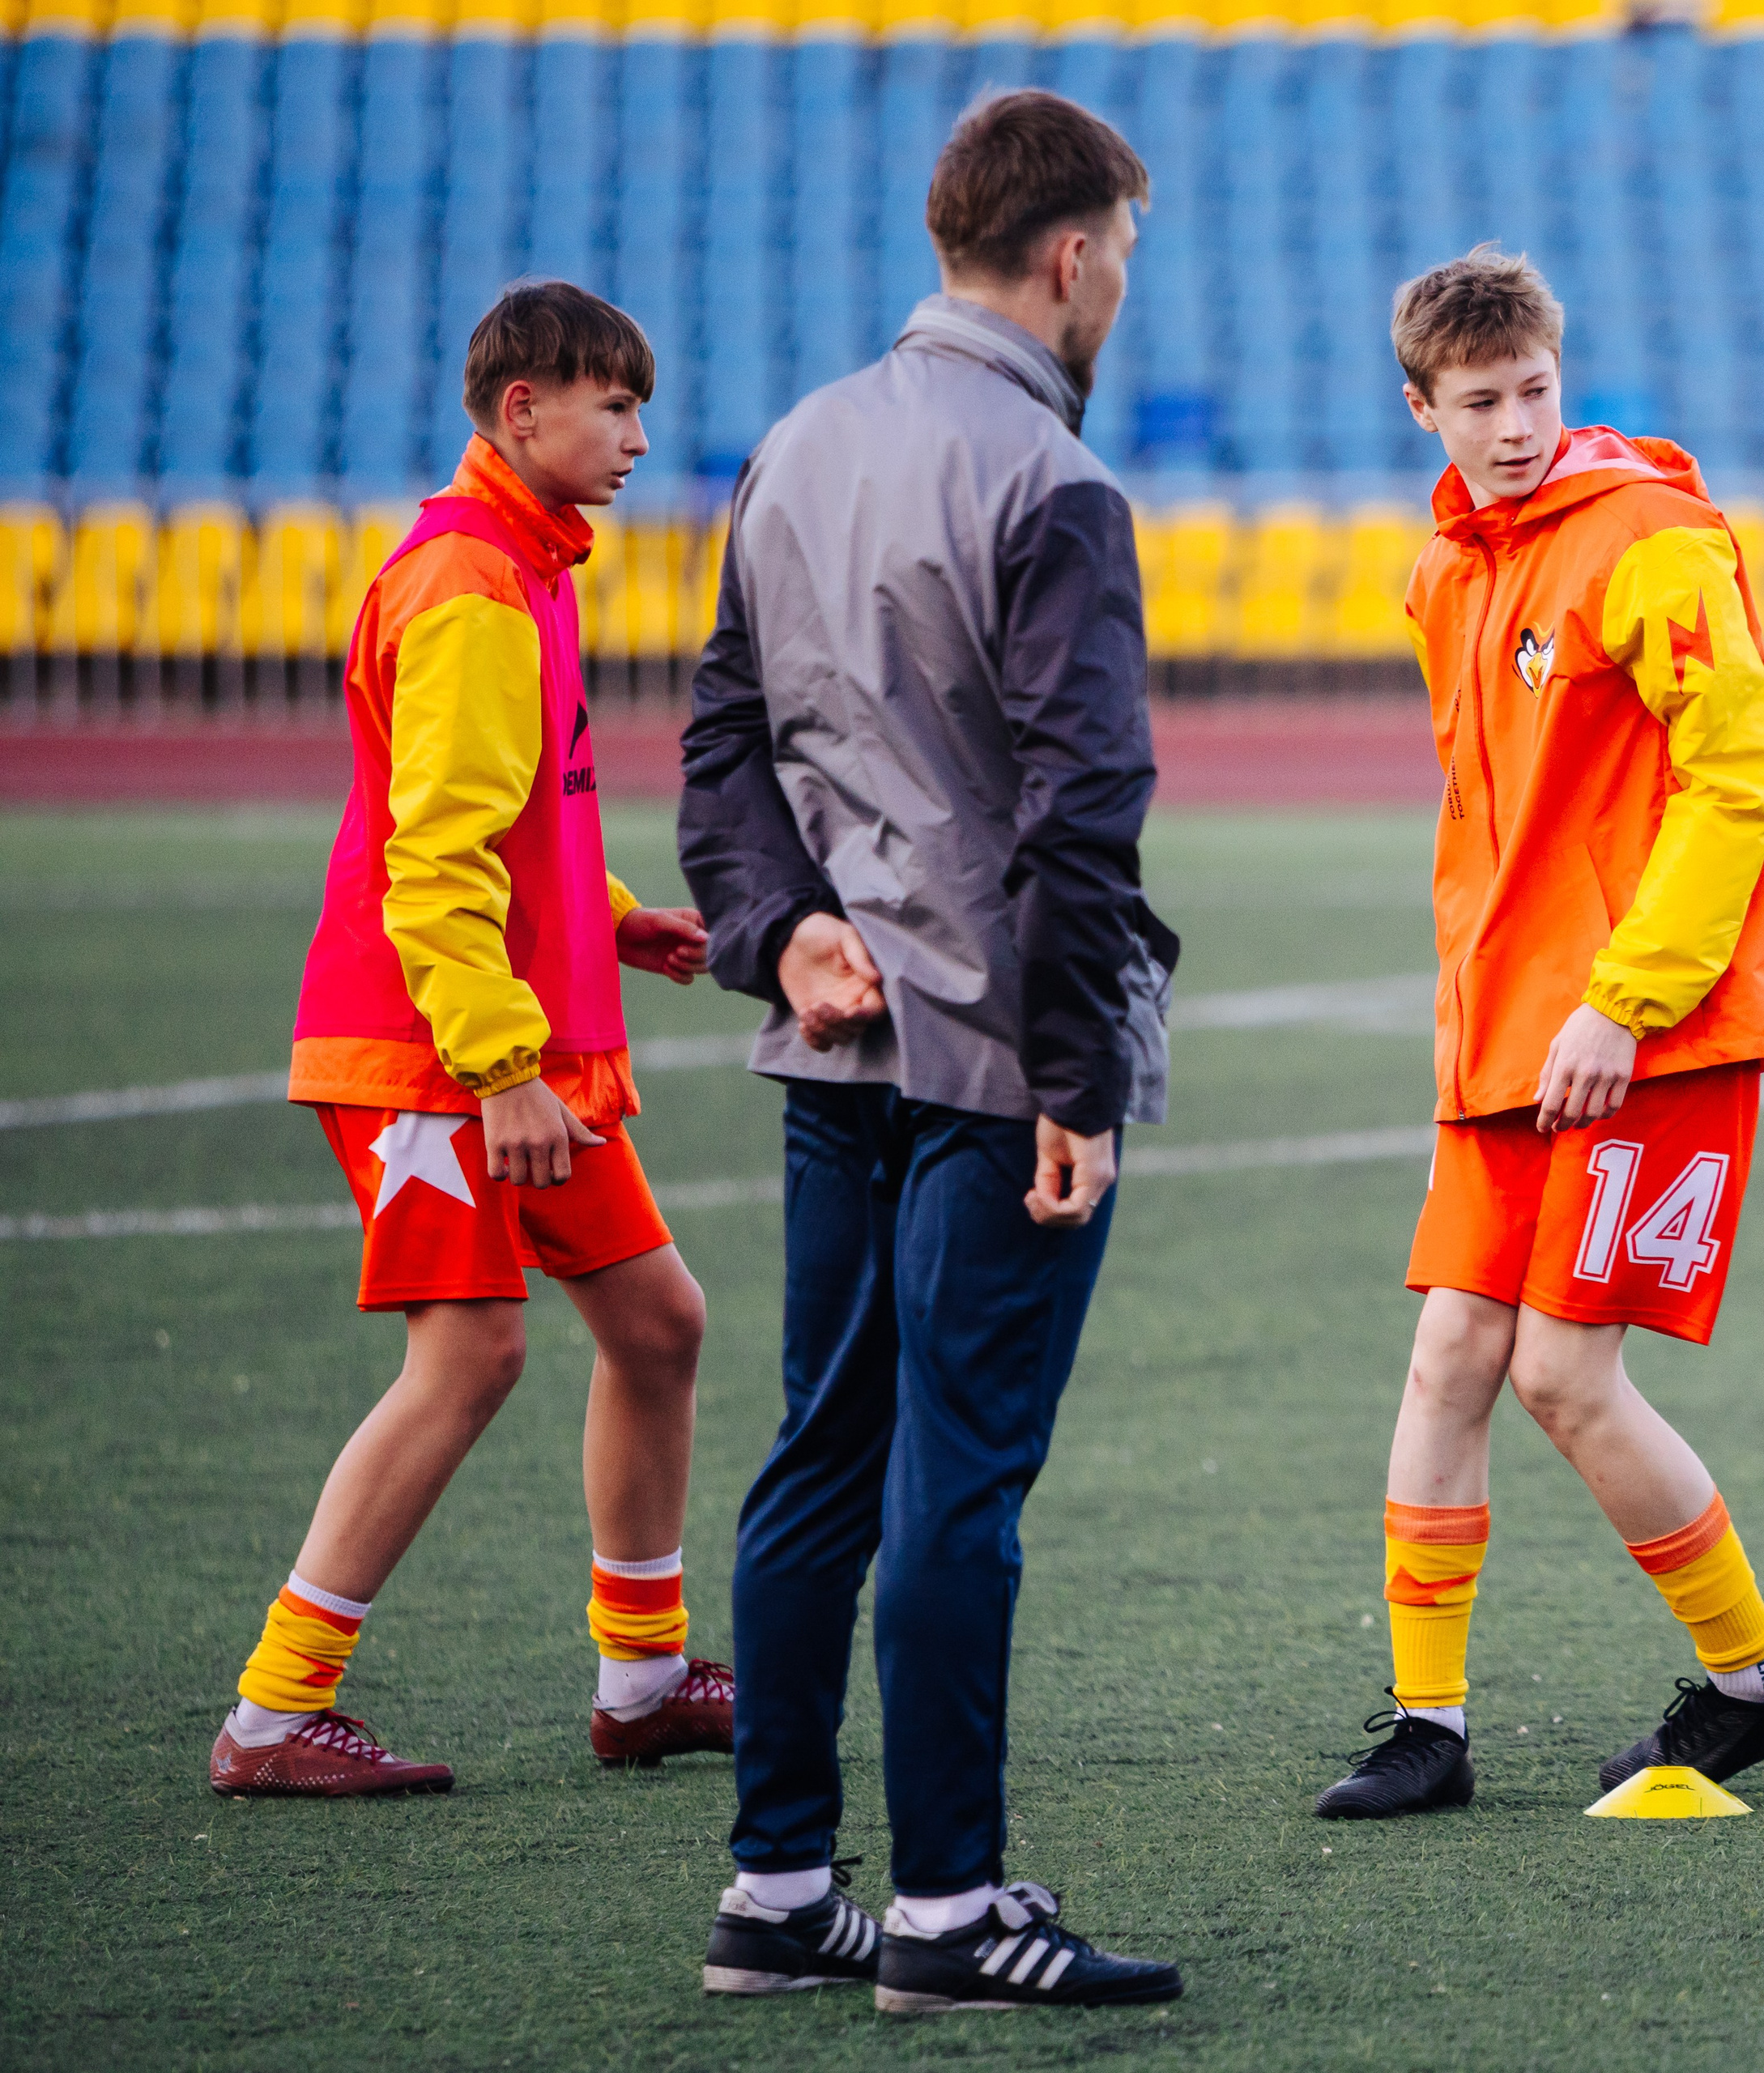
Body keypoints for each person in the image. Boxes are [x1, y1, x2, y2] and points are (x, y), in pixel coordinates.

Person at [679, 91, 1183, 2014]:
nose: (1121, 284)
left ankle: (780, 1884)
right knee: (955, 1483)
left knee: (821, 1457)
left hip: (837, 1047)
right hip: (995, 1054)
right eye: (1120, 252)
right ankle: (955, 1912)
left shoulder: (794, 446)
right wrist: (1072, 1078)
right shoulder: (1051, 483)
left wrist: (772, 926)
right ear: (1070, 255)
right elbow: (1077, 811)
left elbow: (722, 742)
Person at [1315, 246, 1764, 1823]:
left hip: (1647, 1028)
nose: (1514, 424)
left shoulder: (1648, 543)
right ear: (1421, 409)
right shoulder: (1440, 573)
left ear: (1560, 372)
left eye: (1532, 389)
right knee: (1449, 1352)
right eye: (1477, 402)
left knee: (1559, 1374)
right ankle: (1427, 1723)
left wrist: (1625, 994)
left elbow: (1734, 786)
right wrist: (1499, 1011)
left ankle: (1758, 1682)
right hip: (1505, 1035)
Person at [209, 282, 733, 1799]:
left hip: (509, 1047)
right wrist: (501, 1066)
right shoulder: (472, 585)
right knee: (472, 1356)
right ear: (523, 410)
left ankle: (642, 1677)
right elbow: (433, 858)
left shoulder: (525, 562)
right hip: (437, 1059)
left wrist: (612, 912)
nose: (638, 438)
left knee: (658, 1323)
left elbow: (516, 813)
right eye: (614, 409)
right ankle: (271, 1715)